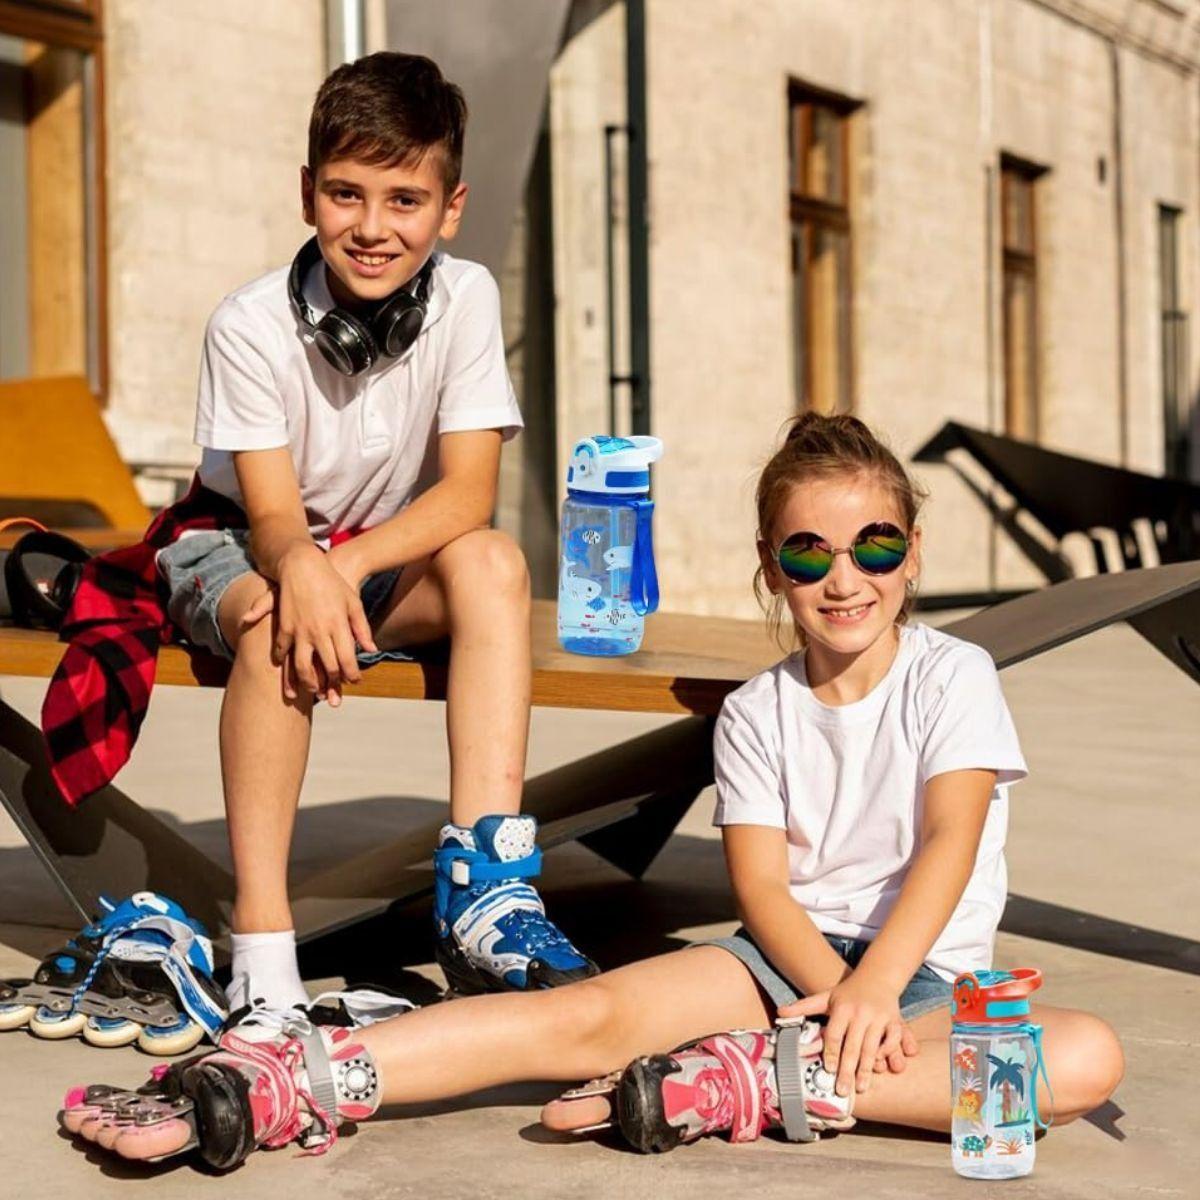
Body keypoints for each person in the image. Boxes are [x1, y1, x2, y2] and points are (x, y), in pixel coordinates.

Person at [58, 414, 1123, 1168]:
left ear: (913, 552)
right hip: (785, 969)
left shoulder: (954, 676)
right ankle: (287, 1083)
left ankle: (742, 1083)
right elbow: (761, 884)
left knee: (1078, 1058)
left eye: (875, 546)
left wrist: (875, 993)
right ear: (770, 566)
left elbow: (949, 841)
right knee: (583, 1015)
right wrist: (830, 997)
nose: (846, 578)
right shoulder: (757, 710)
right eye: (812, 554)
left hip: (920, 975)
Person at [77, 51, 597, 1009]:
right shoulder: (248, 326)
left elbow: (467, 496)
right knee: (281, 616)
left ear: (450, 208)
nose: (371, 227)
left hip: (371, 550)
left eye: (405, 200)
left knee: (491, 563)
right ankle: (266, 956)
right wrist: (308, 573)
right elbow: (272, 516)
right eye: (346, 195)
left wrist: (343, 564)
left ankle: (486, 884)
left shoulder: (467, 298)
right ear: (307, 193)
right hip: (237, 544)